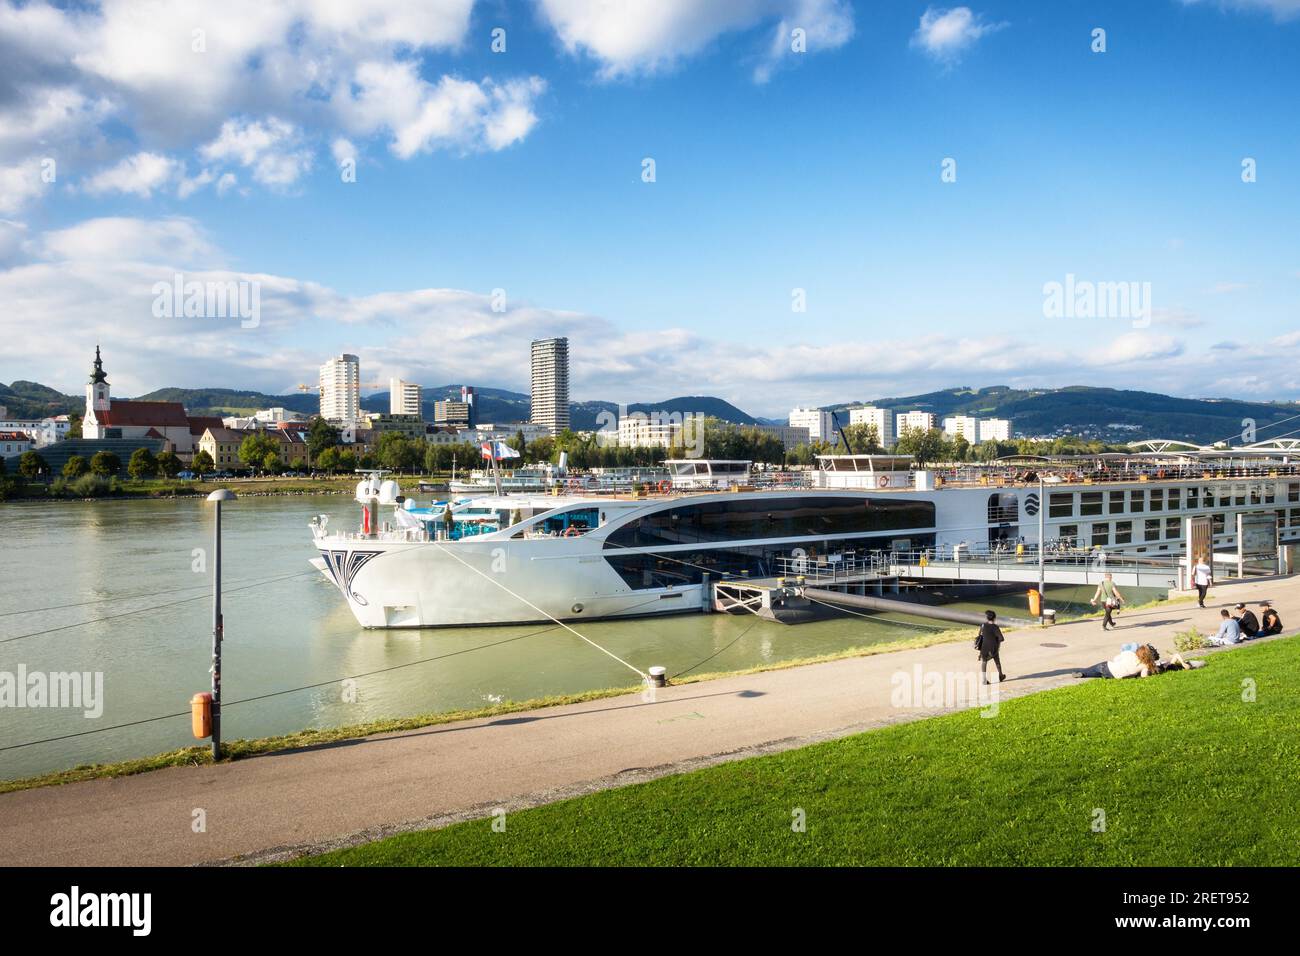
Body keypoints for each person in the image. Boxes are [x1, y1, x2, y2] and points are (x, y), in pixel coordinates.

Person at [1075, 644, 1160, 679]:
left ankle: (1082, 673)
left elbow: (1115, 659)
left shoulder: (1129, 653)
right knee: (1099, 675)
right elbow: (1144, 676)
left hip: (1106, 667)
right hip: (1114, 675)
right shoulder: (1145, 666)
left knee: (1092, 670)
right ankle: (1084, 674)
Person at [974, 609, 1007, 685]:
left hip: (984, 648)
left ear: (987, 618)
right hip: (993, 648)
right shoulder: (995, 627)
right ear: (994, 618)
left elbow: (980, 635)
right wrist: (997, 644)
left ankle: (984, 679)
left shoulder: (983, 625)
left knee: (984, 662)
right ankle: (1001, 675)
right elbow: (1001, 638)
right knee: (997, 661)